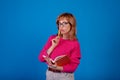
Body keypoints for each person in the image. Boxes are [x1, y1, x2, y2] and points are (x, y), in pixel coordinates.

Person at [38, 12, 81, 80]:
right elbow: (41, 58)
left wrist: (57, 67)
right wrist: (53, 46)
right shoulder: (52, 38)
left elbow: (73, 66)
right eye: (60, 23)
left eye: (65, 23)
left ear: (72, 25)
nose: (61, 26)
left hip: (65, 76)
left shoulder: (75, 44)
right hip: (50, 74)